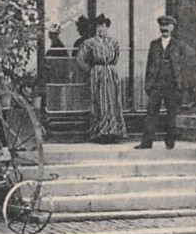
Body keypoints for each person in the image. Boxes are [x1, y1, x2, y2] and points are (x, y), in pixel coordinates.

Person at [76, 13, 127, 144]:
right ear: (95, 29)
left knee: (113, 101)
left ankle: (114, 132)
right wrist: (91, 70)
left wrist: (109, 68)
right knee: (99, 101)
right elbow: (80, 59)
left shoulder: (113, 42)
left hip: (110, 72)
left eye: (103, 26)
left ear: (107, 28)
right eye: (99, 26)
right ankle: (101, 132)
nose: (101, 29)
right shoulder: (89, 43)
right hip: (97, 73)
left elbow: (116, 58)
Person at [136, 15, 183, 149]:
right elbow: (149, 65)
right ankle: (146, 143)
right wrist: (148, 84)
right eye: (162, 26)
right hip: (156, 84)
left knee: (171, 113)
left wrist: (180, 74)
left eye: (167, 26)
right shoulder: (154, 44)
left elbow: (194, 58)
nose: (164, 28)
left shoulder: (178, 45)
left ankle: (170, 142)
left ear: (172, 27)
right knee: (151, 113)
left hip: (171, 85)